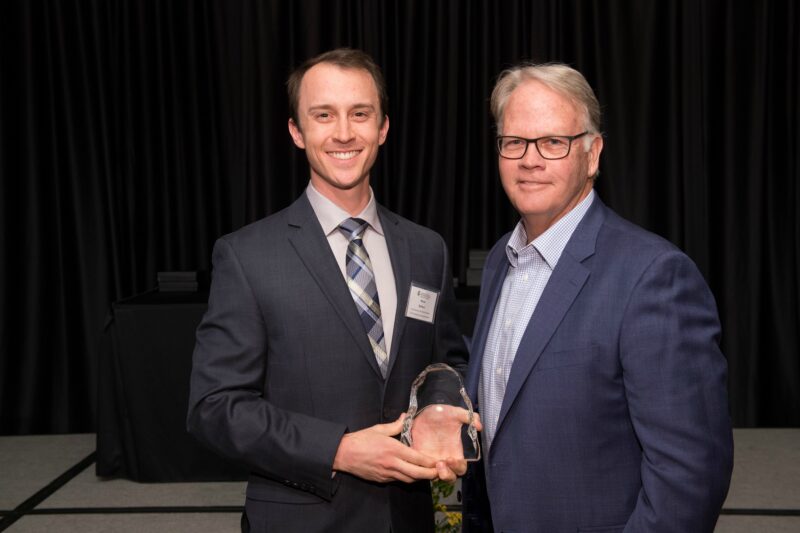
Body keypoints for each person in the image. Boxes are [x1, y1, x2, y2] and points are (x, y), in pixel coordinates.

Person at [187, 48, 468, 532]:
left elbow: (446, 361)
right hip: (303, 517)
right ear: (297, 131)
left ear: (382, 128)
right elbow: (214, 408)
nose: (343, 133)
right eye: (324, 115)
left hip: (410, 517)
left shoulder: (427, 249)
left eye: (360, 114)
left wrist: (440, 410)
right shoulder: (247, 256)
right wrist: (337, 449)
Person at [461, 63, 733, 532]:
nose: (530, 159)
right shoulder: (499, 265)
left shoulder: (652, 276)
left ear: (592, 154)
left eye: (553, 142)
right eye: (514, 142)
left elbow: (690, 478)